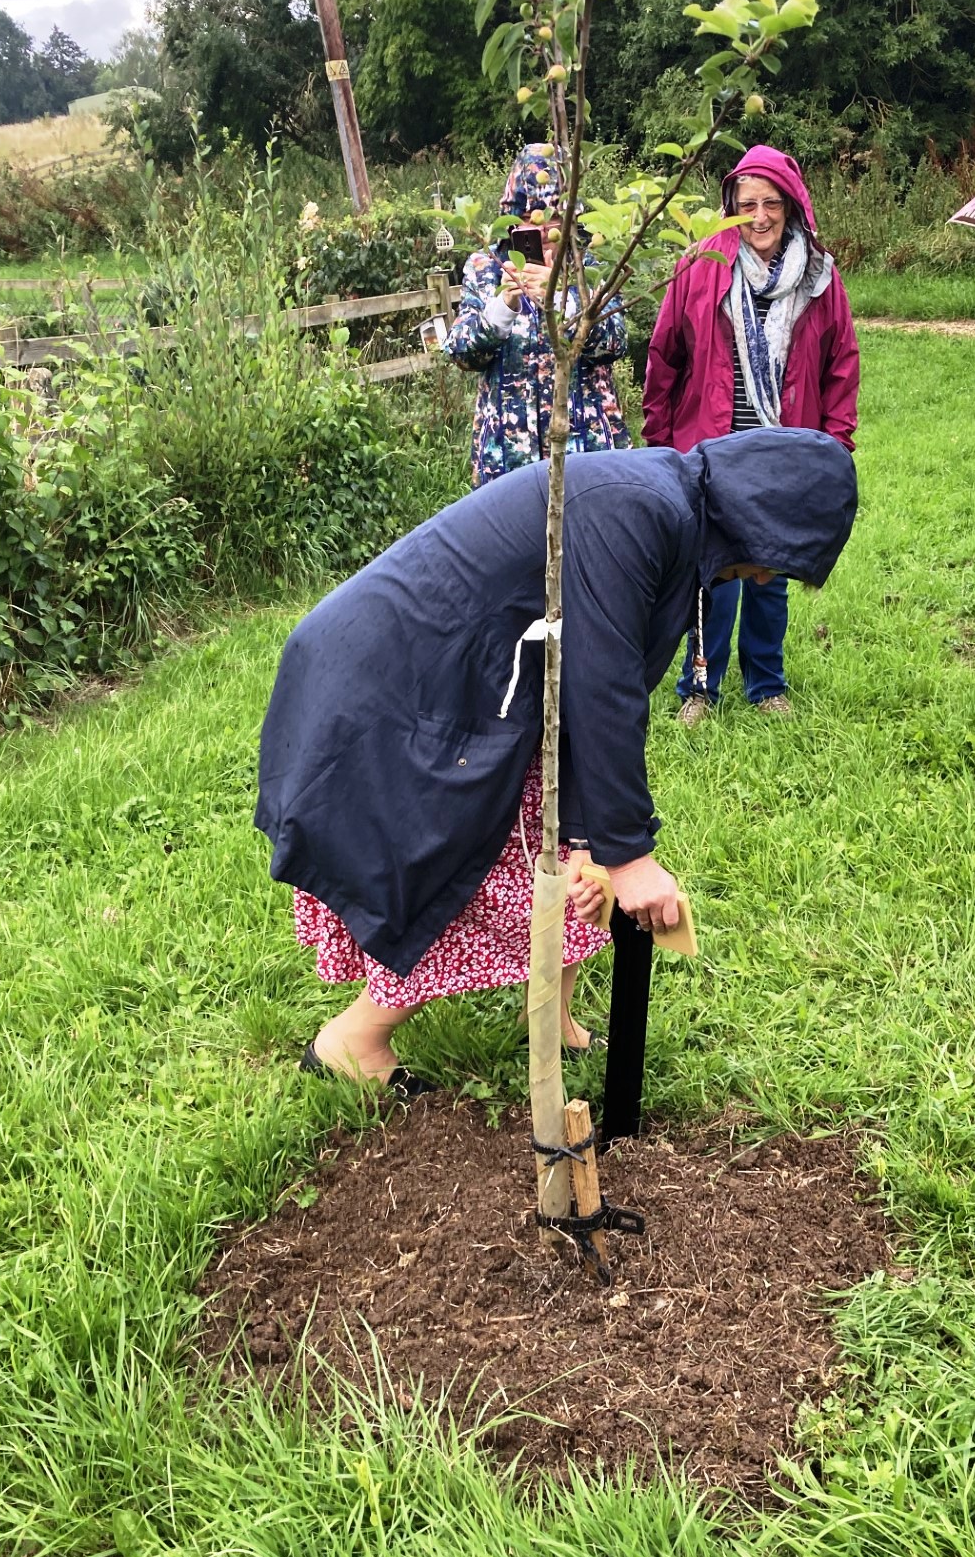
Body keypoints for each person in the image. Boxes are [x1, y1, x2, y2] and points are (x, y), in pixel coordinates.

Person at [256, 428, 858, 1088]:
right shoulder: (641, 510)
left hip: (480, 688)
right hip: (394, 683)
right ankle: (353, 1041)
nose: (771, 576)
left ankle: (548, 1014)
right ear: (761, 519)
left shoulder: (671, 511)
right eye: (781, 559)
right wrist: (629, 856)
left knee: (569, 865)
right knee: (466, 866)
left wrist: (590, 838)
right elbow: (601, 687)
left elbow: (589, 683)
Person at [642, 144, 859, 725]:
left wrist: (835, 446)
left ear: (790, 206)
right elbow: (665, 356)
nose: (759, 216)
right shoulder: (701, 265)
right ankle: (700, 688)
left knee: (771, 569)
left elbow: (841, 361)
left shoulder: (819, 276)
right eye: (746, 205)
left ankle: (766, 684)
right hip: (711, 449)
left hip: (782, 448)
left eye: (770, 204)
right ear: (730, 208)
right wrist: (661, 443)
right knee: (709, 572)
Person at [446, 144, 629, 487]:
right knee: (511, 538)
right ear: (512, 215)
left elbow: (615, 341)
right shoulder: (486, 267)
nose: (543, 230)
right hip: (508, 451)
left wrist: (562, 298)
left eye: (554, 218)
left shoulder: (589, 265)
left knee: (590, 536)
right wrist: (504, 306)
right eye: (530, 218)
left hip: (586, 446)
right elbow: (461, 352)